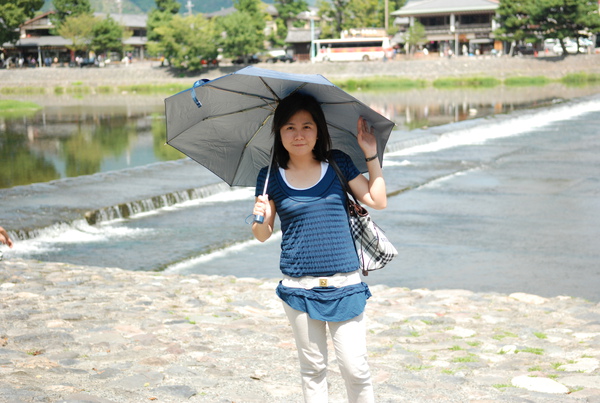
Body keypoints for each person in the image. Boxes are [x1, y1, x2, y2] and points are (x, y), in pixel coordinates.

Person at [251, 92, 387, 403]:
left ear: (318, 130)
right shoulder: (269, 176)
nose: (298, 135)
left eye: (307, 126)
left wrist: (370, 154)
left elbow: (377, 200)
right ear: (278, 132)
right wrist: (259, 215)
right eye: (289, 127)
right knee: (313, 369)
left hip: (345, 284)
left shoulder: (337, 162)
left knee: (356, 369)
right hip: (299, 287)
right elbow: (262, 234)